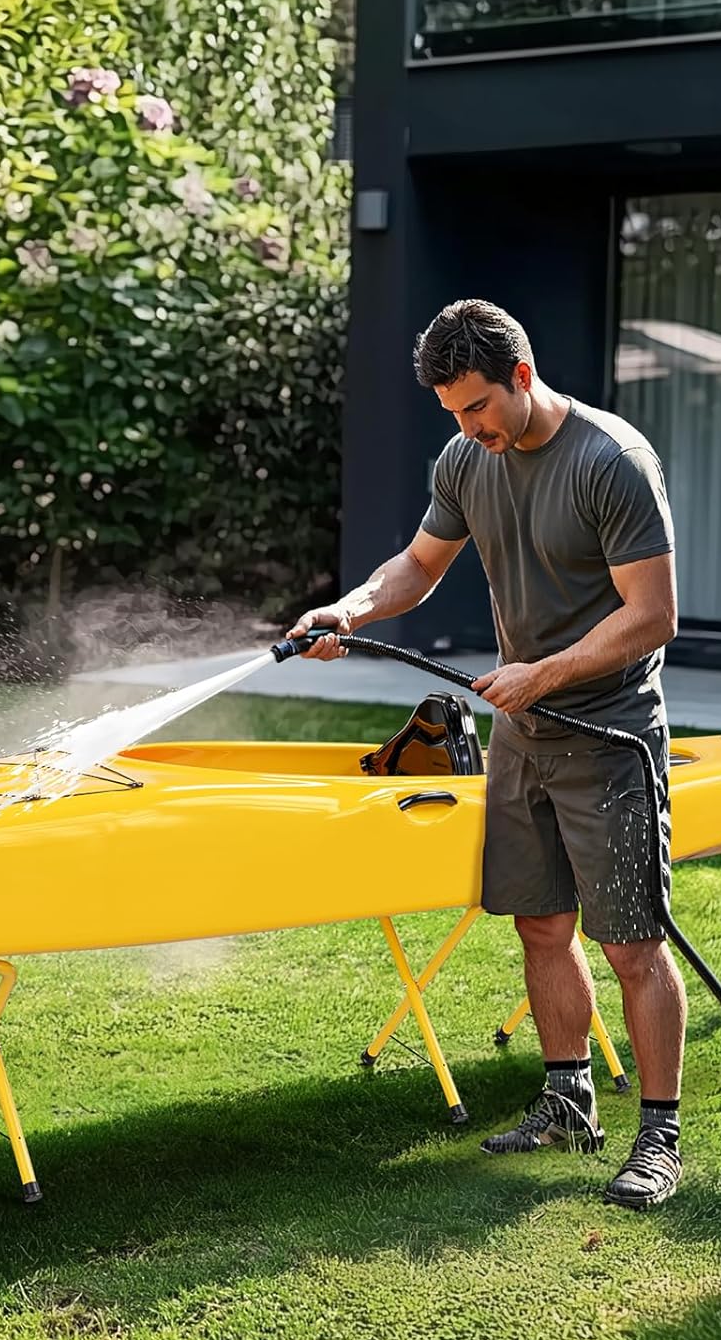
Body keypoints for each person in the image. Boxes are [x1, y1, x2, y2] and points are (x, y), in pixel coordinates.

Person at [290, 299, 686, 1209]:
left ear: (521, 375)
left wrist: (543, 674)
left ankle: (659, 1137)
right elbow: (418, 566)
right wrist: (349, 609)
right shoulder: (466, 460)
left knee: (631, 945)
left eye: (476, 406)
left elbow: (653, 615)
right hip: (523, 737)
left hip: (610, 735)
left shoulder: (611, 461)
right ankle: (567, 1101)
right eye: (452, 413)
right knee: (540, 926)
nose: (468, 429)